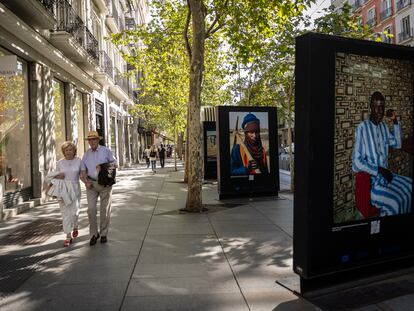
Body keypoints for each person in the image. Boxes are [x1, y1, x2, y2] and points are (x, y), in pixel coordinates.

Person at [352, 91, 412, 216]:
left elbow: (398, 144)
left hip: (387, 177)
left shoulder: (384, 127)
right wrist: (379, 169)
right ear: (371, 107)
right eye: (376, 107)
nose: (380, 111)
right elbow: (356, 163)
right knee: (394, 204)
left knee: (410, 185)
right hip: (374, 183)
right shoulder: (362, 128)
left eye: (382, 107)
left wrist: (395, 121)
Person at [80, 131, 118, 246]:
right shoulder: (86, 154)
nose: (91, 142)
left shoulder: (106, 151)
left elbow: (115, 164)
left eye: (94, 139)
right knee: (91, 209)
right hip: (91, 184)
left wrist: (103, 167)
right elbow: (82, 171)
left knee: (104, 210)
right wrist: (86, 182)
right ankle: (93, 234)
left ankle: (103, 234)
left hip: (104, 184)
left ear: (98, 140)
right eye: (89, 140)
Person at [48, 141, 82, 247]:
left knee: (75, 212)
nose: (68, 152)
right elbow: (54, 175)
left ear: (74, 151)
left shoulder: (78, 161)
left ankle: (75, 226)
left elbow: (83, 173)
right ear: (64, 151)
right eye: (66, 150)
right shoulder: (60, 162)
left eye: (70, 150)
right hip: (63, 189)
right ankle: (68, 235)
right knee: (65, 213)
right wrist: (58, 176)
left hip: (75, 188)